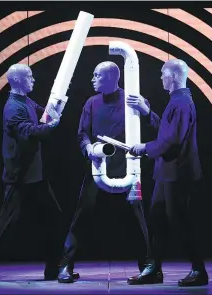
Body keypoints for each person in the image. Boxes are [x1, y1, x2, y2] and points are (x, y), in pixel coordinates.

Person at [57, 61, 161, 284]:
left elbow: (159, 129)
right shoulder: (91, 103)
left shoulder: (133, 100)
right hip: (98, 167)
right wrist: (88, 149)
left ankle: (149, 266)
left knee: (137, 216)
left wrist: (147, 111)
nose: (92, 79)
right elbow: (82, 134)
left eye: (97, 75)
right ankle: (65, 265)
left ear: (113, 78)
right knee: (82, 215)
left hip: (129, 168)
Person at [0, 64, 65, 284]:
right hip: (20, 177)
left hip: (35, 175)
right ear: (17, 81)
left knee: (54, 218)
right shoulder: (12, 108)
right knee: (7, 223)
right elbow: (29, 133)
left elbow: (42, 113)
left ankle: (53, 268)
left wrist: (57, 105)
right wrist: (53, 125)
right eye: (29, 76)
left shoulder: (26, 101)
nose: (33, 79)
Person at [127, 59, 209, 287]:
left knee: (179, 222)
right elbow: (167, 130)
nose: (160, 77)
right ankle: (154, 269)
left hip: (177, 174)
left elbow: (171, 141)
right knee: (157, 220)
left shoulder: (181, 103)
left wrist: (144, 148)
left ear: (173, 76)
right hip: (167, 173)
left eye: (163, 73)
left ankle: (198, 270)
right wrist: (147, 112)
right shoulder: (177, 102)